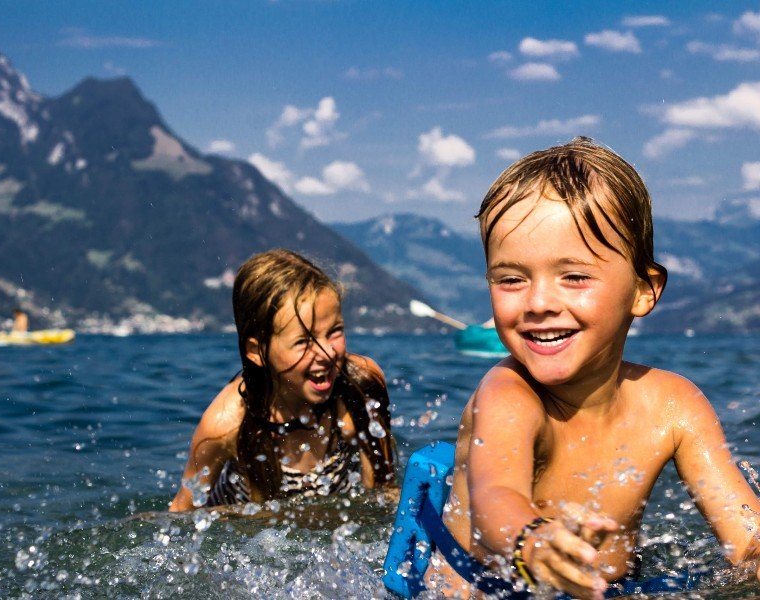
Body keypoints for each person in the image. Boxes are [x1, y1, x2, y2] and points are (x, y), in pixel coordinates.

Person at [427, 138, 760, 599]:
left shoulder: (673, 405)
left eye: (575, 276)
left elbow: (747, 539)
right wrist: (532, 540)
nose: (539, 303)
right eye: (510, 279)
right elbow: (496, 501)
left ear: (644, 289)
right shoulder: (509, 394)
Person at [170, 249, 396, 512]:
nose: (326, 353)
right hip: (245, 530)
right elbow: (181, 515)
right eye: (303, 341)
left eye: (334, 332)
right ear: (257, 351)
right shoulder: (225, 424)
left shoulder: (360, 387)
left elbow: (382, 497)